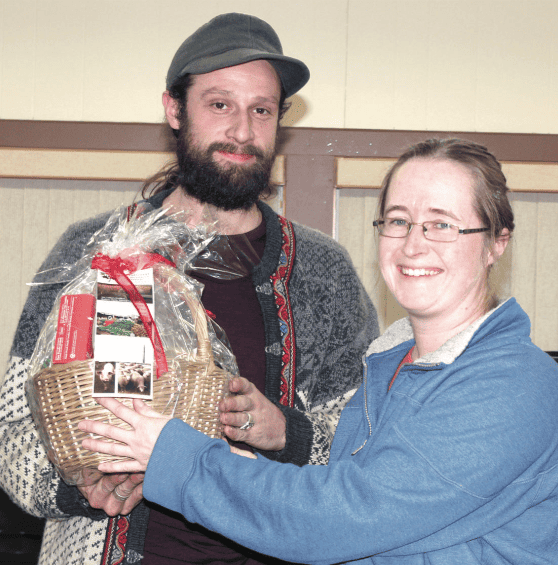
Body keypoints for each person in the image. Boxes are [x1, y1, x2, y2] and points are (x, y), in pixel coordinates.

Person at [0, 12, 378, 565]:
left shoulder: (323, 271)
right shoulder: (96, 252)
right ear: (175, 109)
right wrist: (82, 484)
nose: (243, 132)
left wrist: (286, 432)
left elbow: (366, 443)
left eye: (262, 110)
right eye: (220, 104)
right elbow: (13, 432)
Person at [82, 138, 558, 565]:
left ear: (497, 243)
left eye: (442, 224)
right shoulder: (390, 364)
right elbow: (350, 493)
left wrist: (175, 454)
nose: (414, 245)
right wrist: (234, 456)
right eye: (399, 221)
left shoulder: (515, 385)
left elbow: (343, 517)